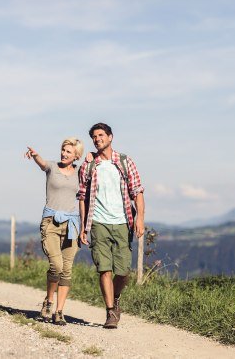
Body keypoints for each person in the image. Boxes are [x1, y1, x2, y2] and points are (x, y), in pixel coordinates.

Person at [78, 122, 145, 329]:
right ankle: (110, 313)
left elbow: (137, 192)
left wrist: (140, 218)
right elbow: (82, 197)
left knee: (123, 271)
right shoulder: (88, 165)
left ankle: (115, 297)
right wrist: (83, 226)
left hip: (123, 221)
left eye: (101, 135)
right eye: (94, 137)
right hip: (98, 222)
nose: (97, 139)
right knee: (104, 269)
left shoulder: (125, 162)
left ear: (110, 137)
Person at [25, 138, 84, 325]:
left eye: (69, 152)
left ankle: (59, 311)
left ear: (76, 156)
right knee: (56, 265)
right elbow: (41, 163)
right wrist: (35, 155)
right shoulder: (51, 167)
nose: (64, 154)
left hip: (71, 224)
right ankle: (48, 301)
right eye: (63, 150)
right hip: (51, 222)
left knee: (67, 270)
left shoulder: (80, 172)